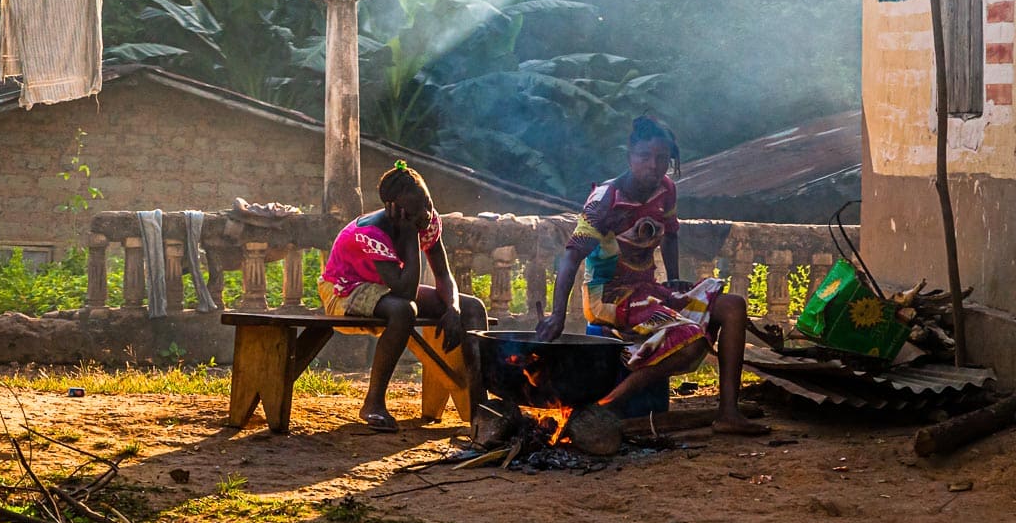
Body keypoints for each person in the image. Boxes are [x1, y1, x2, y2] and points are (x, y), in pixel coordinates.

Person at [535, 115, 769, 435]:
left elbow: (671, 234)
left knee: (732, 306)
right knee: (690, 339)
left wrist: (673, 280)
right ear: (629, 156)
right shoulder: (606, 199)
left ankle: (728, 412)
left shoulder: (666, 190)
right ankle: (607, 405)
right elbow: (571, 256)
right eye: (645, 157)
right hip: (610, 298)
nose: (653, 166)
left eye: (662, 159)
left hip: (649, 290)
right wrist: (557, 313)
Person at [319, 160, 487, 432]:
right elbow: (405, 291)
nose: (425, 214)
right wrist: (409, 236)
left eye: (428, 203)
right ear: (393, 208)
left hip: (386, 287)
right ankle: (373, 403)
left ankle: (480, 403)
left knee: (473, 308)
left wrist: (453, 308)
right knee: (404, 310)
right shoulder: (371, 232)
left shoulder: (427, 220)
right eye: (416, 211)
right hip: (345, 289)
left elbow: (443, 275)